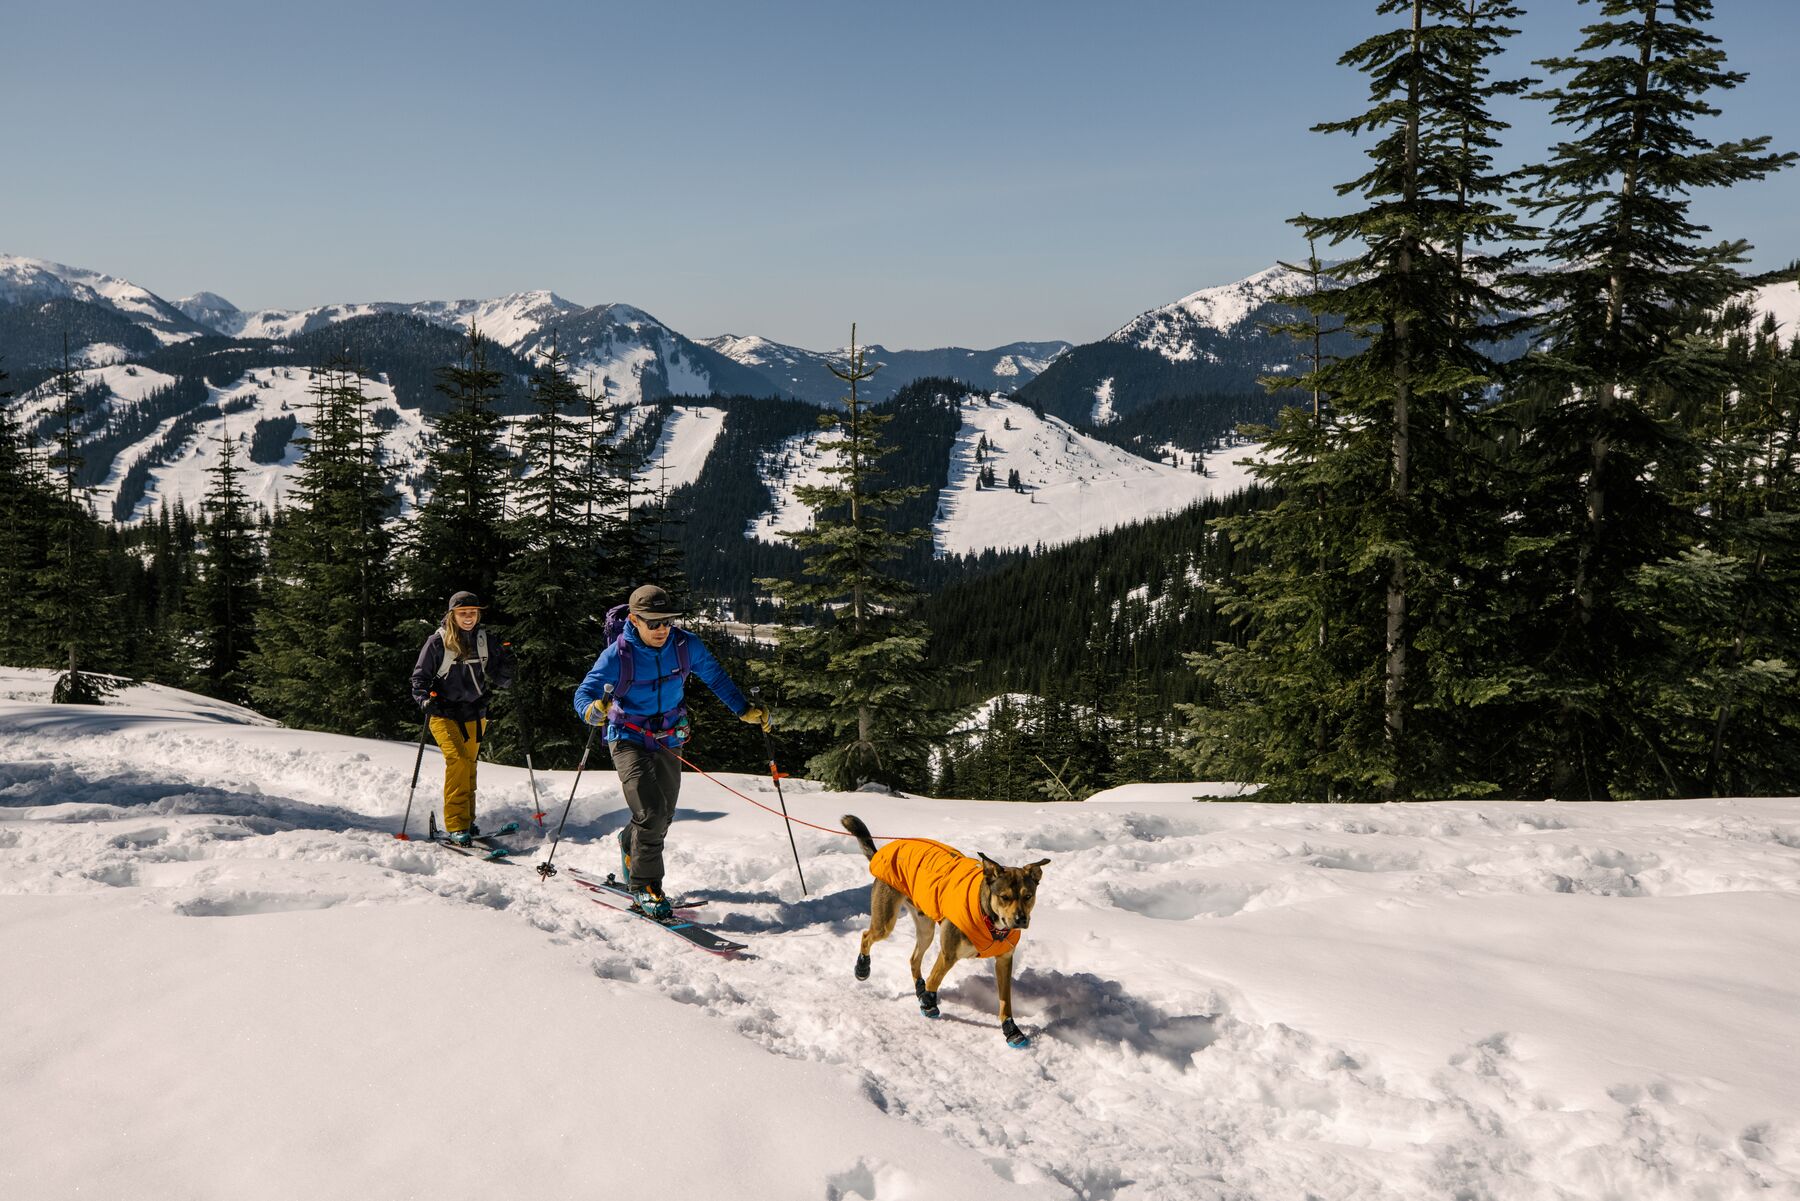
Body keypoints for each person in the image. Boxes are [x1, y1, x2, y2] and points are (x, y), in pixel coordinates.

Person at [572, 583, 767, 917]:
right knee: (651, 812)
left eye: (667, 621)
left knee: (664, 815)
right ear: (634, 620)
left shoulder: (684, 645)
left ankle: (629, 843)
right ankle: (646, 887)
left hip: (668, 737)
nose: (662, 628)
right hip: (627, 737)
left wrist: (742, 709)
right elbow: (583, 695)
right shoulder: (618, 655)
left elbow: (715, 677)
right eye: (653, 622)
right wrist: (593, 711)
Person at [410, 591, 516, 845]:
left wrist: (509, 665)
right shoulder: (438, 643)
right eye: (462, 613)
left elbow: (501, 679)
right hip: (443, 714)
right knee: (457, 761)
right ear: (452, 615)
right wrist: (424, 699)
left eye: (472, 612)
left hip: (475, 714)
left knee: (468, 766)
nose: (468, 617)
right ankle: (456, 824)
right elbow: (419, 679)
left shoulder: (483, 641)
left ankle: (467, 821)